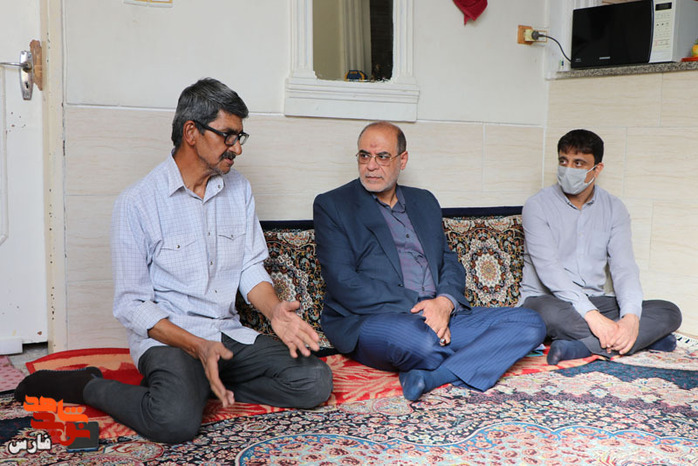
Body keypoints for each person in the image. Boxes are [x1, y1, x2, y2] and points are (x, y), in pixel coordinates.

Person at [15, 78, 332, 443]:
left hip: (226, 334)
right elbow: (132, 305)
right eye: (228, 136)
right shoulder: (137, 203)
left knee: (314, 381)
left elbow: (249, 267)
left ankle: (199, 388)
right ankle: (89, 385)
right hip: (172, 339)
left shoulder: (239, 189)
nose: (237, 148)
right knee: (173, 422)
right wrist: (196, 346)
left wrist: (274, 310)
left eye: (239, 137)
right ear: (191, 132)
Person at [313, 121, 546, 401]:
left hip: (441, 313)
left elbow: (448, 260)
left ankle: (433, 377)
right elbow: (342, 282)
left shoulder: (424, 201)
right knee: (421, 344)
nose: (371, 166)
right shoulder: (333, 205)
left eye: (382, 157)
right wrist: (423, 307)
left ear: (403, 160)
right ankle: (487, 353)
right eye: (364, 156)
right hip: (374, 320)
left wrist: (445, 303)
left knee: (530, 323)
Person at [519, 129, 682, 365]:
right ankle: (644, 339)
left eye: (578, 163)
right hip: (547, 300)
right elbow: (549, 270)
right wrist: (593, 317)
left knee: (669, 311)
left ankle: (581, 347)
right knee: (550, 315)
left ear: (597, 169)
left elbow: (624, 268)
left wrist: (631, 318)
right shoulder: (537, 205)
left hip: (595, 300)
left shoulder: (614, 208)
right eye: (563, 161)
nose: (568, 169)